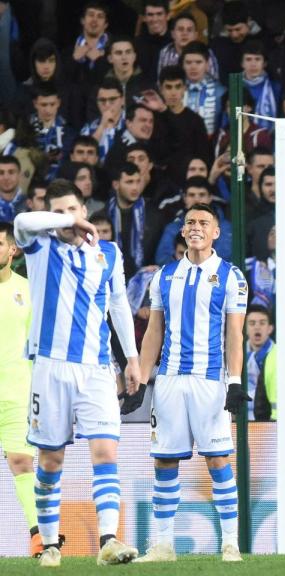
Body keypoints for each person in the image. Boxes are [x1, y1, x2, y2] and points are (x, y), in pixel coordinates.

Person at [13, 180, 141, 567]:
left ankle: (108, 540)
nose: (68, 218)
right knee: (50, 461)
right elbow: (21, 221)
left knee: (105, 451)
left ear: (86, 210)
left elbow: (118, 305)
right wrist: (64, 222)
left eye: (73, 210)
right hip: (50, 368)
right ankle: (50, 545)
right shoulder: (40, 246)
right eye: (59, 212)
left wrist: (132, 358)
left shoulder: (109, 254)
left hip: (97, 368)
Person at [131, 202, 248, 562]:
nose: (196, 227)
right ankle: (164, 545)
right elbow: (154, 331)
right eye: (190, 222)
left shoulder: (231, 276)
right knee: (165, 462)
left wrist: (234, 381)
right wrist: (141, 379)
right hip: (169, 381)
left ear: (216, 232)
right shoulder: (164, 276)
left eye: (203, 223)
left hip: (209, 382)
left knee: (218, 461)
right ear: (182, 231)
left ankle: (230, 543)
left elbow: (235, 333)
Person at [0, 221, 41, 556]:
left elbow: (37, 346)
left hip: (16, 392)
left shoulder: (28, 290)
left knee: (22, 463)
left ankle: (39, 538)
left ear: (12, 250)